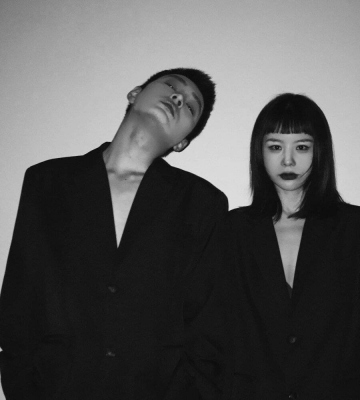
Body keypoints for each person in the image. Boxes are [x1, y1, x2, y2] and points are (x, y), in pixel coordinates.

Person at [0, 68, 228, 400]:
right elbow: (20, 302)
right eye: (170, 86)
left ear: (183, 141)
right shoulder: (48, 182)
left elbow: (206, 326)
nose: (179, 98)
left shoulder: (202, 204)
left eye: (192, 107)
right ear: (135, 93)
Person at [227, 93, 360, 399]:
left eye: (302, 147)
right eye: (275, 147)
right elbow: (216, 331)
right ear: (259, 151)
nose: (288, 160)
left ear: (319, 151)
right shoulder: (231, 230)